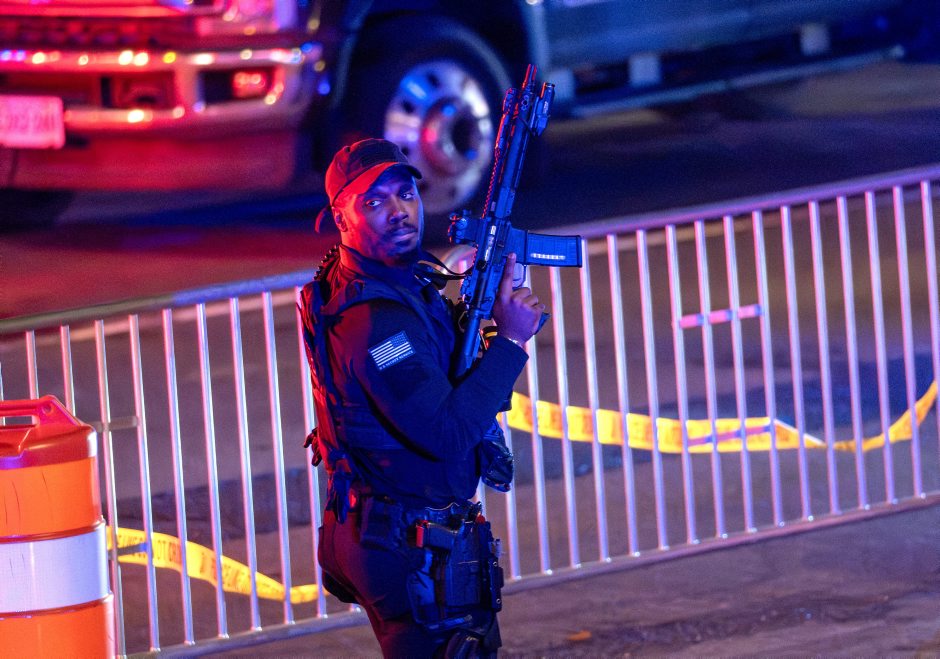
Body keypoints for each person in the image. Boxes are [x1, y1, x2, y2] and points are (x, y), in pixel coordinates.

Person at [298, 138, 544, 657]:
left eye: (405, 194)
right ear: (341, 219)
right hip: (408, 545)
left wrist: (478, 312)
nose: (398, 211)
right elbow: (446, 432)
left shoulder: (384, 280)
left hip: (390, 527)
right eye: (374, 202)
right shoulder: (377, 324)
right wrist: (512, 341)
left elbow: (443, 375)